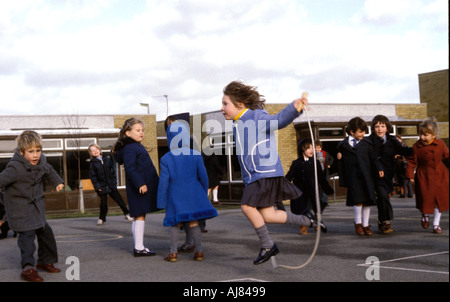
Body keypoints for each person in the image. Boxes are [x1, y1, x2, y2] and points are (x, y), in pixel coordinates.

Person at [221, 80, 318, 265]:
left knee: (247, 206)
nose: (222, 108)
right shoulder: (238, 123)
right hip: (255, 176)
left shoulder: (256, 117)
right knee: (268, 216)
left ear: (240, 104)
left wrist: (294, 108)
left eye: (225, 104)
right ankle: (308, 220)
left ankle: (267, 245)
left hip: (264, 173)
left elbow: (279, 120)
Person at [0, 131, 64, 282]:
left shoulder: (42, 162)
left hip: (36, 208)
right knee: (27, 238)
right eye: (31, 152)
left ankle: (44, 261)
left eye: (38, 151)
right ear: (22, 152)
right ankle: (28, 268)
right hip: (20, 209)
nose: (35, 155)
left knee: (46, 234)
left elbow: (50, 171)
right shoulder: (14, 168)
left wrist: (58, 182)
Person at [157, 121, 218, 262]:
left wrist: (161, 201)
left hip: (175, 194)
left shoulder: (166, 158)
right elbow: (203, 176)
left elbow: (164, 181)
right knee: (194, 223)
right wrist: (203, 192)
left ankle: (173, 253)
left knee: (175, 223)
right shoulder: (195, 155)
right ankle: (199, 252)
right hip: (193, 193)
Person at [113, 118, 159, 256]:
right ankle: (139, 248)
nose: (142, 133)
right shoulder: (130, 147)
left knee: (139, 214)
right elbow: (130, 168)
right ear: (128, 133)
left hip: (141, 185)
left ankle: (139, 246)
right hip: (138, 186)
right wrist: (140, 183)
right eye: (138, 130)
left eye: (142, 130)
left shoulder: (135, 145)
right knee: (139, 215)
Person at [366, 115, 412, 234]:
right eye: (377, 126)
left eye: (382, 126)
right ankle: (385, 221)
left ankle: (382, 221)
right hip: (374, 175)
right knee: (382, 196)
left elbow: (404, 151)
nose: (380, 129)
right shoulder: (369, 141)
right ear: (373, 128)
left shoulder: (392, 141)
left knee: (384, 197)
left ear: (387, 128)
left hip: (388, 175)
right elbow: (369, 157)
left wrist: (418, 147)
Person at [405, 118, 449, 234]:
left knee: (438, 201)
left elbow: (448, 156)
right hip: (424, 176)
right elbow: (411, 162)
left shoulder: (440, 144)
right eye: (421, 134)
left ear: (433, 135)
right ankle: (425, 216)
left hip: (440, 175)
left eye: (426, 135)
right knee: (426, 200)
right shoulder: (417, 147)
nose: (422, 137)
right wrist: (410, 174)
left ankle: (436, 224)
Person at [337, 117, 377, 236]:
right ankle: (358, 223)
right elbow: (340, 165)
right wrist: (339, 157)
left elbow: (374, 160)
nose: (363, 134)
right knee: (357, 200)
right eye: (360, 131)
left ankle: (366, 224)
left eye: (364, 131)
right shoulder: (342, 145)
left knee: (367, 201)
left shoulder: (367, 144)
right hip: (353, 177)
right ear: (352, 132)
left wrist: (379, 170)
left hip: (366, 177)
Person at [285, 139, 334, 234]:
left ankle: (316, 222)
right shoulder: (296, 163)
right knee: (302, 208)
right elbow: (289, 176)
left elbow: (321, 178)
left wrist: (328, 189)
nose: (312, 150)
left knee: (315, 207)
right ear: (303, 150)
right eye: (309, 148)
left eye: (313, 148)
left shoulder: (315, 163)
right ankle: (303, 226)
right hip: (300, 191)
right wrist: (283, 185)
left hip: (313, 190)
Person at [88, 143, 133, 225]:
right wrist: (98, 187)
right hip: (101, 186)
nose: (95, 151)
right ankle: (102, 218)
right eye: (93, 151)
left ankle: (127, 214)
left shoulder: (107, 159)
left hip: (111, 185)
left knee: (119, 200)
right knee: (103, 203)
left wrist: (114, 182)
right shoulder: (92, 163)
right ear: (91, 153)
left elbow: (113, 172)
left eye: (96, 149)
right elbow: (93, 177)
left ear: (99, 149)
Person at [314, 139, 334, 211]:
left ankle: (325, 202)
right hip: (316, 173)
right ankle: (318, 202)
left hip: (324, 173)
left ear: (321, 147)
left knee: (325, 188)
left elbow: (331, 159)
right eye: (315, 147)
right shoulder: (311, 154)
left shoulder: (325, 153)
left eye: (318, 147)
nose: (316, 149)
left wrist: (329, 164)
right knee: (318, 188)